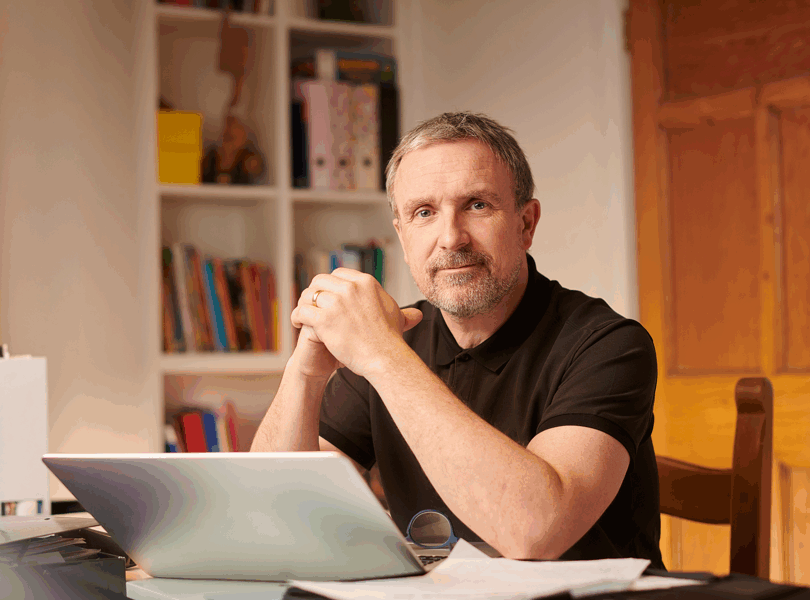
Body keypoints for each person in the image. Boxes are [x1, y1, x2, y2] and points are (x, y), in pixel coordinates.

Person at [251, 112, 663, 567]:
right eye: (423, 213)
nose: (451, 237)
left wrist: (383, 357)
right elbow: (274, 516)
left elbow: (535, 533)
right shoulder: (391, 341)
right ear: (402, 238)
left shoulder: (609, 344)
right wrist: (305, 370)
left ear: (527, 223)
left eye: (477, 205)